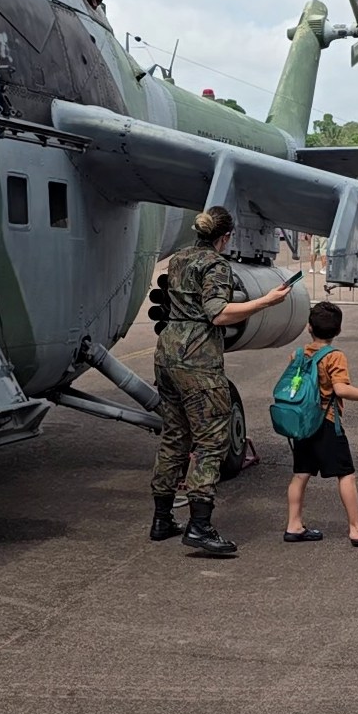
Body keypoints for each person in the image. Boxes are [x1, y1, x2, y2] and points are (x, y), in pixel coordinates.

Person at [148, 206, 291, 556]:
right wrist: (265, 301)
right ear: (224, 238)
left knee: (174, 436)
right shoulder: (216, 265)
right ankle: (199, 526)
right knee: (212, 441)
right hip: (198, 358)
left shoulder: (179, 259)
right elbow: (219, 313)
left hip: (167, 352)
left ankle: (162, 518)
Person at [282, 301, 358, 547]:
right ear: (338, 331)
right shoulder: (334, 357)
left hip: (301, 423)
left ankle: (294, 525)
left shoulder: (297, 354)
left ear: (308, 328)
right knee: (346, 474)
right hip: (326, 422)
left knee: (300, 474)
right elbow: (341, 389)